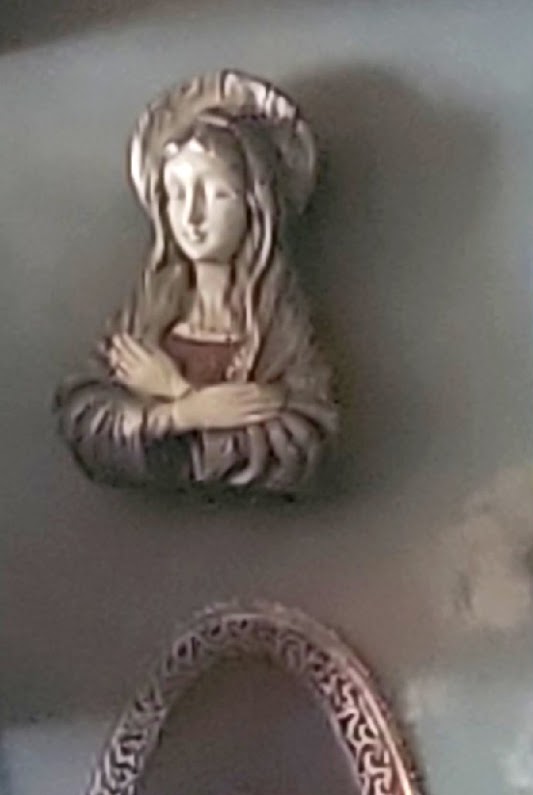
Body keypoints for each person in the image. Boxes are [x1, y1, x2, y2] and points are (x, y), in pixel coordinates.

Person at [56, 72, 336, 495]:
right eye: (177, 194)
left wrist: (175, 390)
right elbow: (85, 417)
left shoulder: (280, 332)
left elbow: (298, 440)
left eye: (216, 194)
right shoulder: (145, 317)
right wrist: (179, 415)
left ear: (254, 205)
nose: (193, 216)